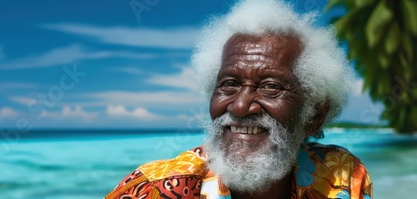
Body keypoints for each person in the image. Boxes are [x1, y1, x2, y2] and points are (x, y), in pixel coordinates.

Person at [105, 0, 373, 198]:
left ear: (314, 116)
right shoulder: (155, 190)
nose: (240, 106)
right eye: (229, 84)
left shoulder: (341, 176)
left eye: (270, 87)